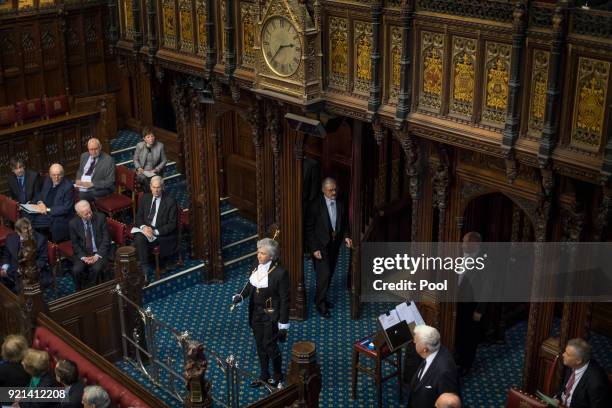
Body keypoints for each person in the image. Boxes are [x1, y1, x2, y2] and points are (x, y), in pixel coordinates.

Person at [232, 238, 290, 389]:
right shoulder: (255, 265)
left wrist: (283, 325)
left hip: (271, 316)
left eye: (262, 253)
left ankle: (278, 377)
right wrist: (240, 296)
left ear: (271, 256)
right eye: (258, 252)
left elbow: (285, 300)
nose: (258, 255)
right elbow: (250, 286)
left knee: (270, 346)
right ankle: (264, 375)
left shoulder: (280, 273)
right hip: (255, 313)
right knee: (260, 345)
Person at [304, 177, 352, 318]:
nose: (334, 192)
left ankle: (321, 298)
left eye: (335, 189)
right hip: (320, 246)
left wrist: (347, 236)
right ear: (323, 190)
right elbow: (309, 229)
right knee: (323, 275)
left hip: (334, 244)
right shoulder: (314, 205)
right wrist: (314, 249)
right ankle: (320, 304)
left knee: (329, 273)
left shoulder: (341, 201)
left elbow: (344, 222)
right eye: (330, 190)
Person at [455, 231, 488, 376]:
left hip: (472, 305)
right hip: (458, 302)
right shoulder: (459, 255)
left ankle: (466, 364)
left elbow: (488, 288)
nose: (462, 245)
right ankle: (457, 357)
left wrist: (479, 310)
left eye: (465, 243)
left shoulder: (486, 262)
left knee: (469, 335)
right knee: (459, 331)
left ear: (475, 244)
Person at [133, 176, 178, 279]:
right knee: (140, 237)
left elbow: (172, 225)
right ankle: (145, 269)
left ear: (162, 187)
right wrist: (144, 227)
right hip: (146, 229)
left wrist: (155, 231)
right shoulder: (145, 198)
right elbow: (139, 217)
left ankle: (144, 269)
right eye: (154, 187)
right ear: (150, 187)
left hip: (160, 233)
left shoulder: (170, 202)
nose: (156, 190)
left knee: (139, 239)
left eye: (158, 187)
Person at [407, 325, 459, 408]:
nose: (414, 342)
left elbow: (447, 403)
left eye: (416, 342)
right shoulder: (432, 350)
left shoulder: (444, 372)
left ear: (425, 349)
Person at [556, 338, 611, 407]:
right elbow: (565, 389)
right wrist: (557, 399)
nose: (563, 355)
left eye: (568, 354)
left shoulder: (596, 382)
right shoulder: (572, 364)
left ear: (578, 360)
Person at [69, 200, 110, 290]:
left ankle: (89, 291)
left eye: (89, 212)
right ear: (78, 214)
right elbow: (75, 244)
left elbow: (106, 240)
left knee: (96, 269)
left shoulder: (101, 217)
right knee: (76, 270)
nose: (89, 215)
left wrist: (97, 255)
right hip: (84, 253)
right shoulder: (73, 224)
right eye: (85, 214)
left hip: (98, 251)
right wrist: (83, 257)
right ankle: (79, 290)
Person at [1, 218, 50, 292]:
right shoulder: (10, 238)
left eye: (30, 230)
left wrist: (26, 270)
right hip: (13, 270)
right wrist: (5, 268)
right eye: (26, 232)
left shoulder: (40, 239)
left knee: (18, 289)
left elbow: (42, 260)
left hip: (31, 272)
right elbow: (6, 256)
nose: (30, 233)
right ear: (18, 232)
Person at [31, 163, 74, 242]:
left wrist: (47, 209)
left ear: (63, 174)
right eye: (54, 175)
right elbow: (41, 194)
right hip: (43, 209)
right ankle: (38, 242)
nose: (56, 178)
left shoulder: (68, 186)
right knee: (27, 216)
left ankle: (41, 243)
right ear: (50, 175)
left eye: (59, 175)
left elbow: (65, 208)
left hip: (56, 216)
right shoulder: (48, 180)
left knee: (31, 222)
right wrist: (40, 203)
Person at [133, 127, 167, 191]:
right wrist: (139, 168)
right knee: (143, 177)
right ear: (144, 139)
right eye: (148, 137)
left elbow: (164, 160)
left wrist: (156, 169)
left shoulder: (160, 146)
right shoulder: (139, 146)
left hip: (154, 170)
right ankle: (149, 194)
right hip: (142, 170)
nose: (151, 139)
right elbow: (135, 159)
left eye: (152, 136)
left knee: (150, 179)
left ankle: (149, 194)